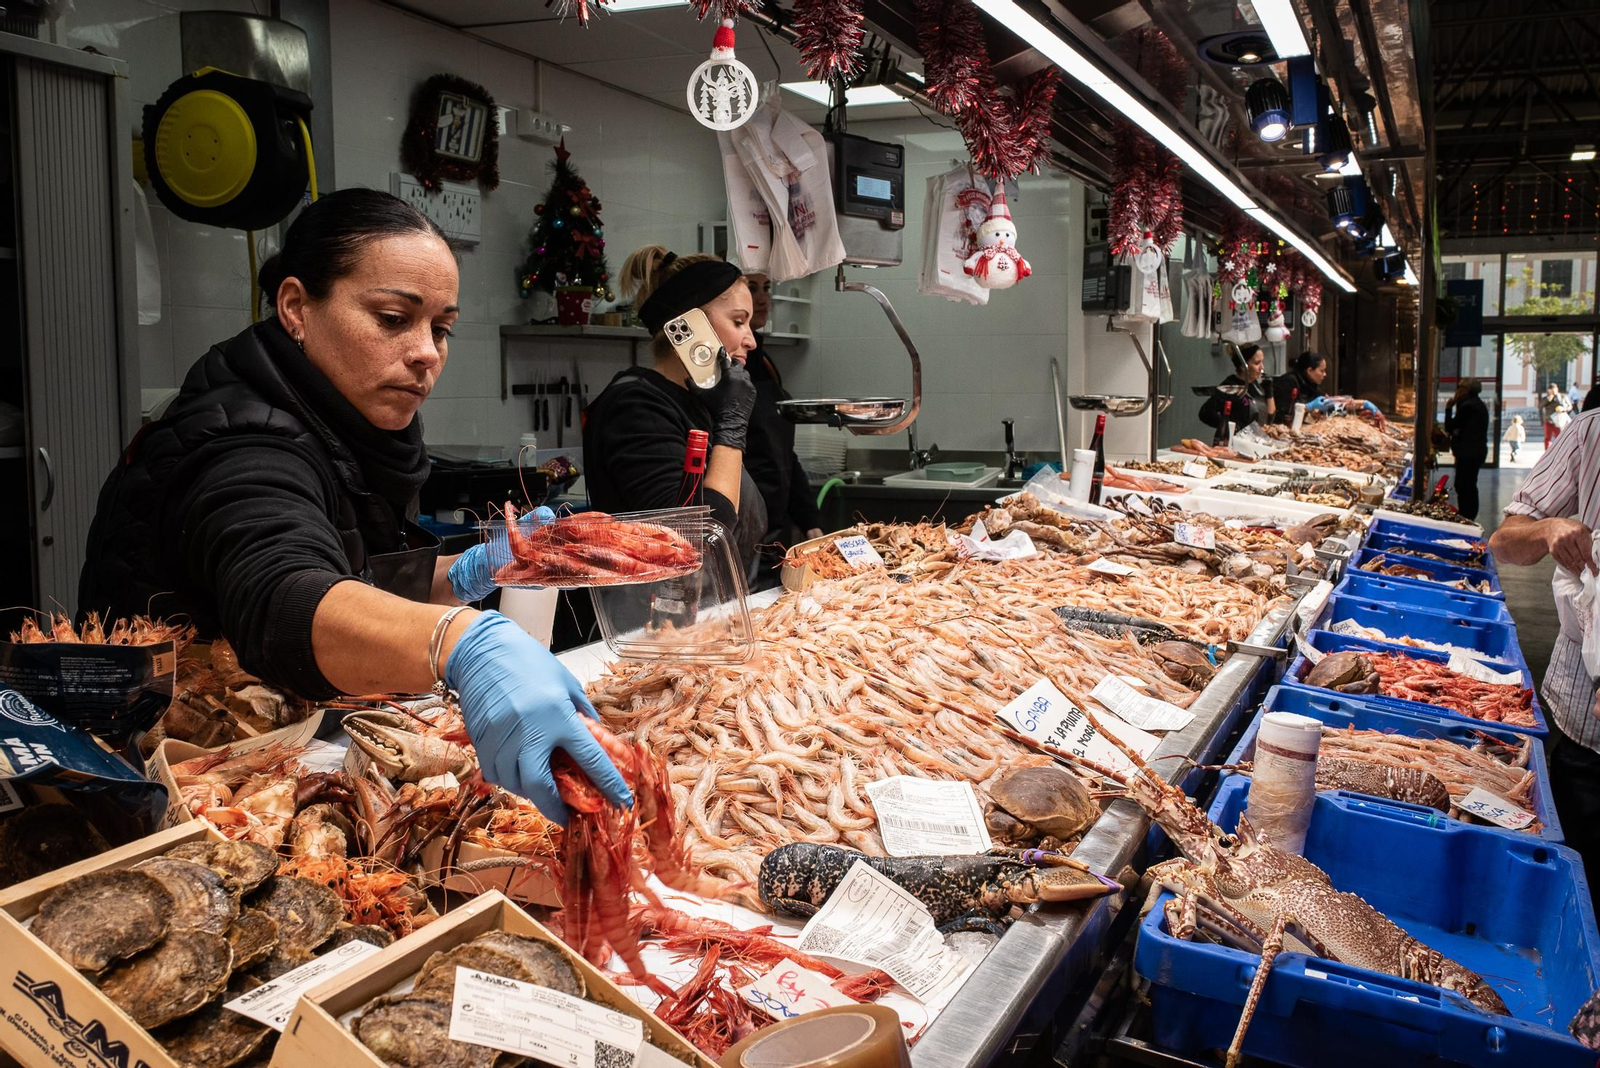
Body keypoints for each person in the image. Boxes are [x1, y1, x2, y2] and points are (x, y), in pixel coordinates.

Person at [77, 189, 629, 825]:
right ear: (296, 308)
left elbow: (347, 578)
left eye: (441, 329)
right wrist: (461, 642)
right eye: (393, 318)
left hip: (277, 757)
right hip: (165, 794)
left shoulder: (343, 425)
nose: (427, 352)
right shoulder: (240, 444)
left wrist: (469, 571)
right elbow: (286, 595)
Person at [583, 246, 765, 568]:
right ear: (690, 325)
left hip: (719, 599)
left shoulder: (699, 405)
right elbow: (696, 541)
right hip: (659, 602)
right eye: (739, 322)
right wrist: (733, 425)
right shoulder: (636, 409)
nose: (751, 340)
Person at [1488, 407, 1600, 902]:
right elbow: (1504, 542)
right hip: (1587, 733)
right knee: (1580, 885)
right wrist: (1548, 528)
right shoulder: (1590, 433)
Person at [741, 271, 825, 563]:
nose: (763, 298)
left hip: (774, 528)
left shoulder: (765, 364)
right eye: (752, 289)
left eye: (766, 288)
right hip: (742, 530)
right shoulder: (722, 374)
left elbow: (784, 454)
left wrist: (809, 519)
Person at [1444, 378, 1489, 521]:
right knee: (1468, 484)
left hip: (1469, 453)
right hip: (1474, 451)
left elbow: (1450, 426)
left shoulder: (1468, 406)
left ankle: (1466, 515)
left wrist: (1448, 408)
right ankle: (1467, 514)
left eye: (1460, 388)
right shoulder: (1475, 404)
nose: (1457, 391)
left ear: (1467, 390)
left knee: (1464, 485)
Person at [1199, 344, 1271, 432]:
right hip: (1235, 439)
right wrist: (1231, 427)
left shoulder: (1256, 385)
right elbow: (1205, 413)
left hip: (1256, 438)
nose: (1262, 367)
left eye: (1262, 362)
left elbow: (1269, 417)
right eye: (1257, 363)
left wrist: (1270, 393)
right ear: (1243, 366)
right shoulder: (1230, 386)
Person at [1272, 350, 1329, 423]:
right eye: (1322, 371)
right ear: (1310, 371)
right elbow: (1285, 414)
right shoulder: (1288, 382)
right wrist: (1308, 407)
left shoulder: (1310, 383)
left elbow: (1320, 396)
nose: (1324, 374)